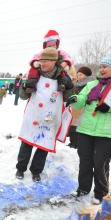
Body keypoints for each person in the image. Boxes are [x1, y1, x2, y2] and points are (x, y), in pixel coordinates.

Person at [66, 55, 111, 205]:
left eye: (106, 66)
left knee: (100, 163)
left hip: (108, 133)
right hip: (86, 129)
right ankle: (83, 189)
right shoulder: (92, 84)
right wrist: (75, 99)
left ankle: (101, 192)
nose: (102, 69)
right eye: (101, 66)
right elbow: (81, 100)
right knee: (85, 161)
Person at [15, 47, 73, 182]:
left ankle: (36, 171)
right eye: (41, 60)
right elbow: (23, 96)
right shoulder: (35, 75)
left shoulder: (62, 78)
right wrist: (25, 86)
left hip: (50, 118)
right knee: (27, 143)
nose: (42, 63)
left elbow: (67, 98)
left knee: (44, 146)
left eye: (46, 61)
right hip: (34, 115)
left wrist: (70, 87)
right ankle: (20, 168)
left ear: (54, 61)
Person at [67, 66, 92, 148]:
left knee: (79, 126)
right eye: (78, 75)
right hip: (75, 108)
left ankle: (78, 143)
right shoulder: (76, 84)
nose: (78, 76)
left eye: (81, 75)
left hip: (84, 109)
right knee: (73, 125)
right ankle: (73, 142)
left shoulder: (90, 85)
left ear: (87, 76)